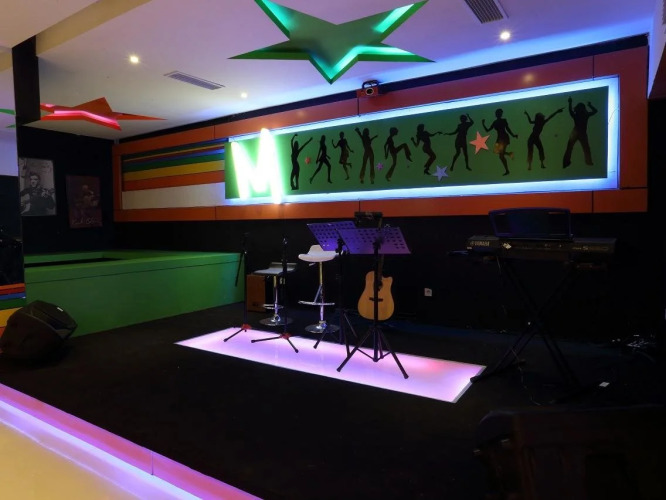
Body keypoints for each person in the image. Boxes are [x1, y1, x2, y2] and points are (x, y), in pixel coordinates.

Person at [562, 97, 598, 168]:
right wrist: (590, 105)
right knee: (586, 148)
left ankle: (566, 163)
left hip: (575, 131)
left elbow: (570, 111)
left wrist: (570, 102)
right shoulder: (586, 115)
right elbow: (595, 111)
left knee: (569, 148)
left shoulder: (576, 115)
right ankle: (589, 162)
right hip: (582, 132)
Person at [482, 108, 518, 176]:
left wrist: (513, 135)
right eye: (497, 113)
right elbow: (487, 130)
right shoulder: (495, 122)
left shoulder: (503, 120)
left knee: (501, 156)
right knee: (497, 152)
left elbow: (508, 129)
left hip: (504, 137)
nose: (497, 114)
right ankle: (509, 154)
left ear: (500, 114)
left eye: (499, 113)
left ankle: (507, 170)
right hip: (499, 138)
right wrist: (483, 124)